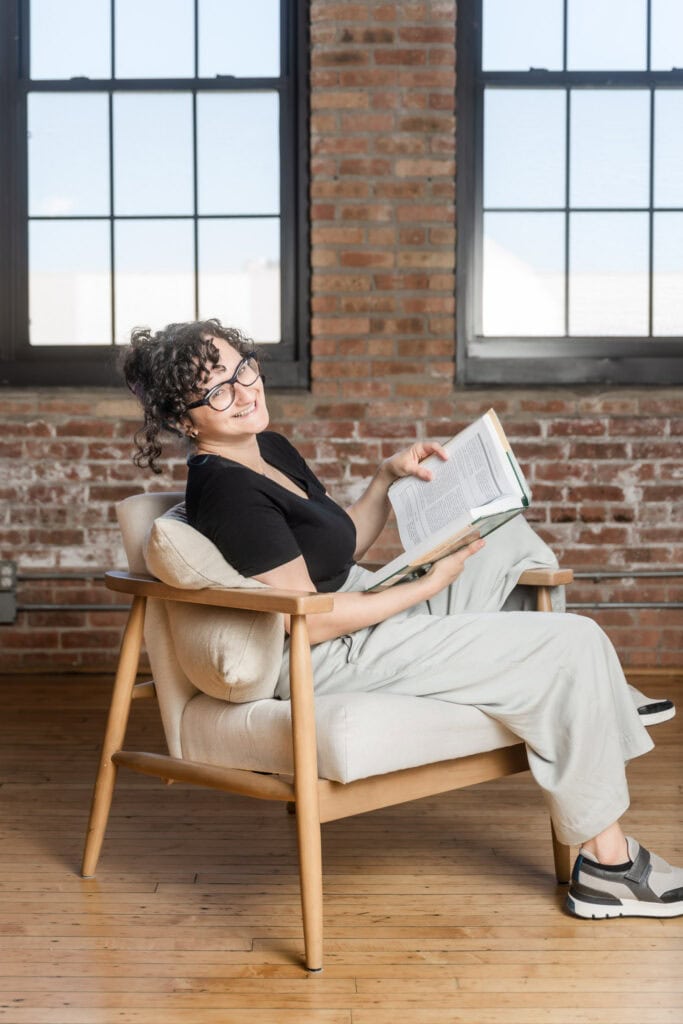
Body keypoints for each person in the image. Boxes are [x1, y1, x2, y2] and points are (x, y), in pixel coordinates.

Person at [123, 318, 682, 920]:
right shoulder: (227, 490)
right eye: (218, 391)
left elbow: (343, 551)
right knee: (575, 645)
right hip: (328, 652)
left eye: (243, 368)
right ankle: (608, 866)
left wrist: (386, 480)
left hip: (364, 602)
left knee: (502, 536)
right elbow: (310, 617)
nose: (245, 391)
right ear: (184, 419)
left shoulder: (270, 447)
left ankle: (594, 696)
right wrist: (425, 588)